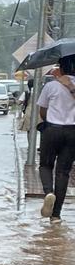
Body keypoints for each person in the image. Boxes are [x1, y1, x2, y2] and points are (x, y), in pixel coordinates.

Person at [37, 56, 75, 224]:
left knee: (45, 165)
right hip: (72, 132)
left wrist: (49, 122)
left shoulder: (51, 86)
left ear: (62, 67)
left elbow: (42, 110)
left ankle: (48, 193)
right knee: (63, 172)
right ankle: (56, 215)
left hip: (52, 130)